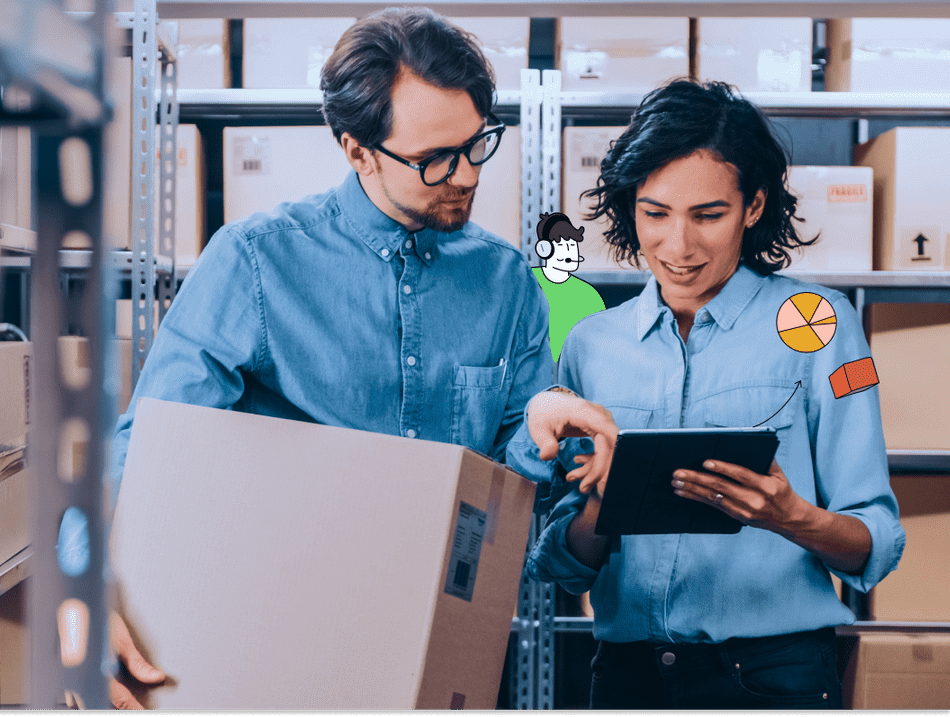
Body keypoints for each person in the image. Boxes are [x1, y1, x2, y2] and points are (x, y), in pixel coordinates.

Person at [104, 7, 618, 709]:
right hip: (279, 650)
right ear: (357, 150)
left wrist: (539, 427)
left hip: (447, 651)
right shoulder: (256, 263)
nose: (466, 174)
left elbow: (509, 497)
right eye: (435, 158)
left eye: (477, 144)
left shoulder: (506, 283)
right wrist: (90, 589)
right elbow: (147, 450)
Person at [509, 80, 906, 710]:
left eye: (708, 215)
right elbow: (562, 565)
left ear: (752, 206)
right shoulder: (590, 344)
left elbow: (878, 540)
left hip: (775, 678)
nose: (679, 246)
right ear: (628, 206)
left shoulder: (823, 323)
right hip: (625, 679)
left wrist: (791, 518)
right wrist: (599, 511)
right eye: (655, 213)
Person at [532, 211, 606, 361]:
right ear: (544, 249)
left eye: (572, 245)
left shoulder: (588, 294)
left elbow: (599, 344)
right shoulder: (528, 282)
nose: (570, 252)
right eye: (562, 245)